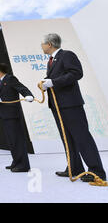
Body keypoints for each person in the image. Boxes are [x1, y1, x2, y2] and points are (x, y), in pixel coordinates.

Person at [40, 33, 106, 182]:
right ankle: (75, 168)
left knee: (82, 137)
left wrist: (53, 82)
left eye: (42, 44)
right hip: (58, 106)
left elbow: (76, 73)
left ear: (49, 44)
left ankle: (97, 171)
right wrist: (47, 84)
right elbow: (57, 79)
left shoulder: (66, 55)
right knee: (67, 138)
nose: (41, 47)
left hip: (70, 104)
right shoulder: (51, 61)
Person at [0, 63, 34, 172]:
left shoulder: (10, 78)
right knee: (11, 141)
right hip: (4, 115)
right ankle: (16, 161)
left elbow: (21, 88)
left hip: (12, 114)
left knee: (17, 140)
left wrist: (28, 95)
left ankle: (23, 165)